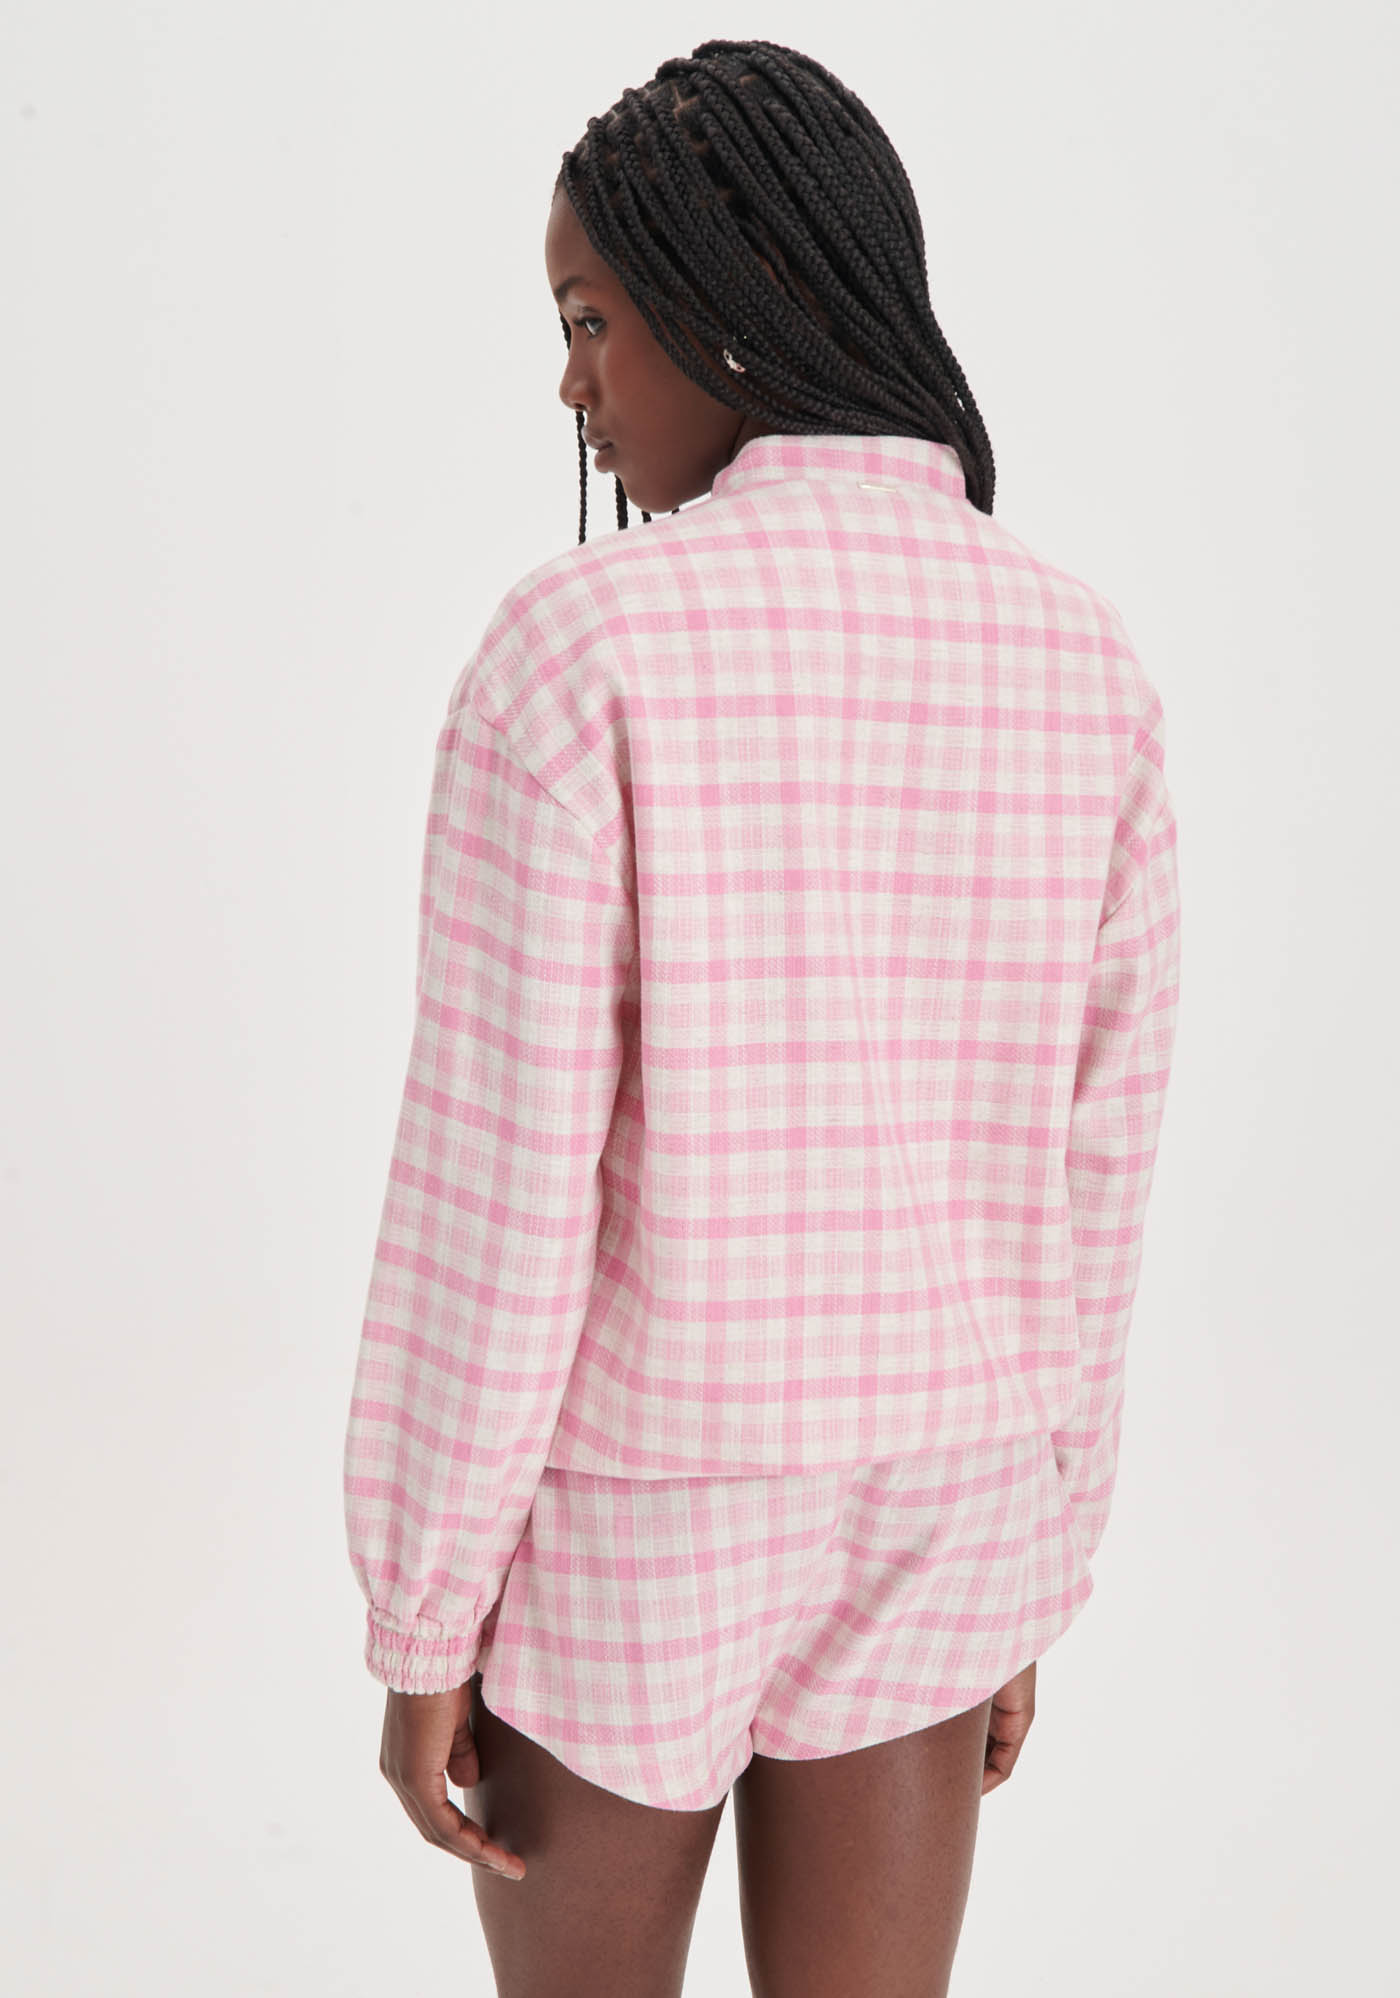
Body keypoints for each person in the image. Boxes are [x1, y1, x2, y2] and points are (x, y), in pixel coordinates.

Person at [341, 37, 1182, 1998]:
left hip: (643, 1502)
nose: (569, 384)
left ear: (732, 300)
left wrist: (423, 1620)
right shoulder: (1080, 658)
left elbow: (503, 1187)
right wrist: (1038, 1546)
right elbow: (1101, 1158)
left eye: (588, 321)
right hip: (953, 1487)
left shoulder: (580, 649)